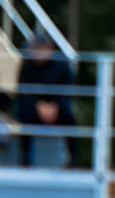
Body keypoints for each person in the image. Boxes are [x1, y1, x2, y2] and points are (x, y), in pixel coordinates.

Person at [13, 34, 78, 168]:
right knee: (24, 115)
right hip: (34, 107)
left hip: (57, 108)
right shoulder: (27, 64)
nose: (35, 51)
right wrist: (38, 105)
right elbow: (22, 91)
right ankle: (25, 158)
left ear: (50, 49)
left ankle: (73, 159)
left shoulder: (62, 65)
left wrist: (55, 106)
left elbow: (68, 91)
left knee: (69, 118)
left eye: (39, 48)